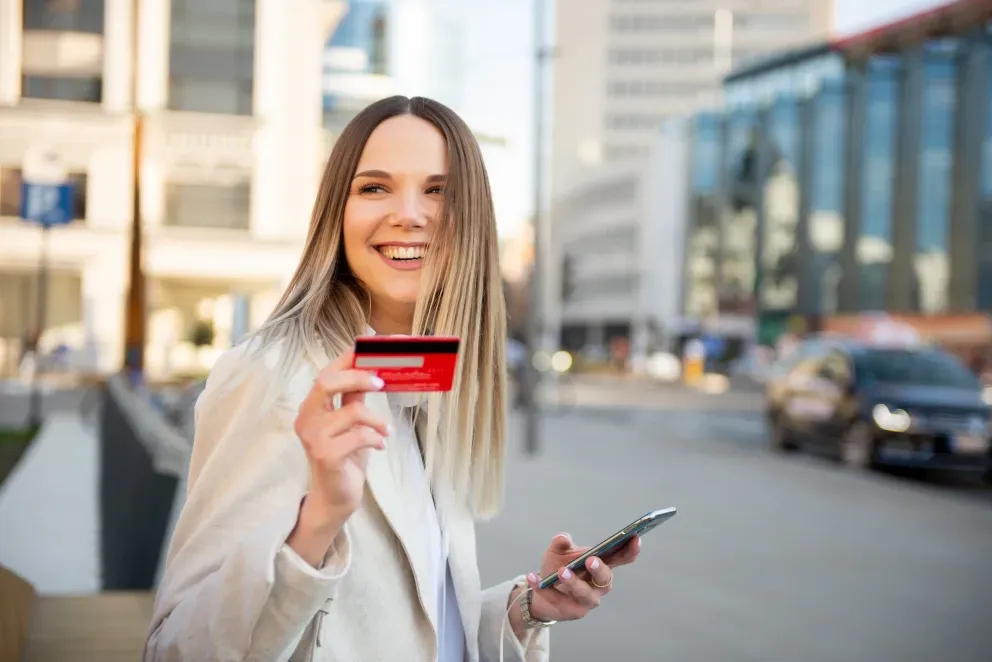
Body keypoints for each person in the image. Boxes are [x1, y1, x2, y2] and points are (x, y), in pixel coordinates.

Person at [144, 96, 641, 662]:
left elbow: (408, 630)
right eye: (374, 187)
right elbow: (174, 649)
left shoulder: (430, 387)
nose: (409, 213)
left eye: (439, 191)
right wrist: (315, 524)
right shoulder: (268, 376)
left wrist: (527, 607)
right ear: (337, 212)